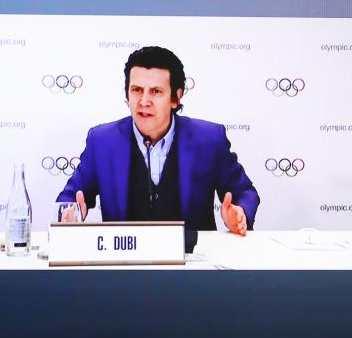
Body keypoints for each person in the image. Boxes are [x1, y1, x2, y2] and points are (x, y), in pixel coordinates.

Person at [57, 46, 257, 243]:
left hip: (193, 264)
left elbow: (245, 193)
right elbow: (71, 196)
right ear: (127, 95)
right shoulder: (102, 141)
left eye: (155, 92)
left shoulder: (209, 139)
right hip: (124, 265)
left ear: (176, 98)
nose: (144, 101)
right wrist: (71, 213)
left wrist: (239, 214)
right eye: (136, 90)